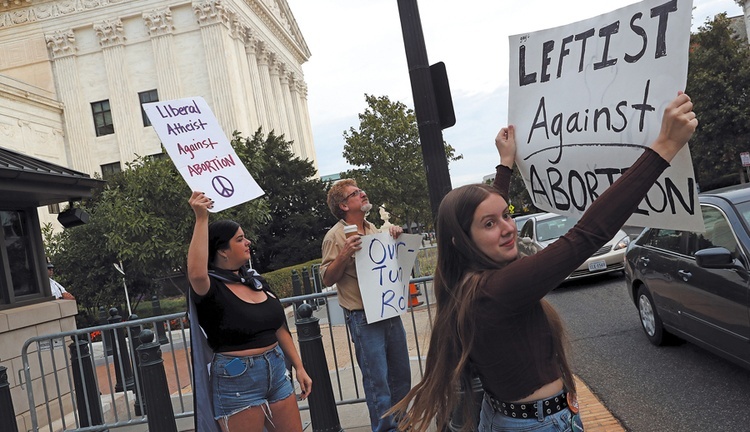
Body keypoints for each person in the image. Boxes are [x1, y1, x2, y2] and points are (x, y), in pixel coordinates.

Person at [390, 92, 698, 432]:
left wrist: (505, 167)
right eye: (490, 224)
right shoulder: (496, 290)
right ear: (460, 241)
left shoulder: (469, 282)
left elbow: (485, 215)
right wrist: (663, 148)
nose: (508, 228)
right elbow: (587, 236)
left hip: (516, 417)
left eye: (507, 216)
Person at [186, 191, 312, 432]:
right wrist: (201, 218)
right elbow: (196, 273)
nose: (248, 243)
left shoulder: (254, 280)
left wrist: (299, 366)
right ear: (222, 250)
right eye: (240, 239)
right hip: (236, 379)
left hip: (276, 371)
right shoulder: (209, 289)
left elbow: (278, 328)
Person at [320, 180, 411, 432]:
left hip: (389, 311)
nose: (363, 194)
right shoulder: (335, 236)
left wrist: (397, 239)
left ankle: (402, 425)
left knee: (401, 378)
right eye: (355, 193)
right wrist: (344, 253)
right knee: (377, 383)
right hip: (363, 318)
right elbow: (327, 278)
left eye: (360, 190)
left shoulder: (373, 229)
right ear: (343, 205)